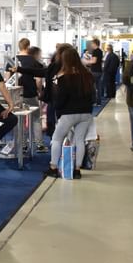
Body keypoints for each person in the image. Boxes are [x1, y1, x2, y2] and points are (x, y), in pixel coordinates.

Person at [45, 48, 95, 180]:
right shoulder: (87, 75)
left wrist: (58, 111)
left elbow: (59, 100)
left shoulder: (62, 78)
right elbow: (93, 96)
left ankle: (53, 167)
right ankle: (77, 170)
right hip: (86, 113)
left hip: (68, 113)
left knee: (56, 139)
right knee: (79, 140)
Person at [14, 39, 48, 153]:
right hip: (31, 93)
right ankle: (39, 144)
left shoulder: (14, 60)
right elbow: (39, 79)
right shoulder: (33, 61)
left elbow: (7, 77)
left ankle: (23, 145)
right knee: (36, 119)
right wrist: (39, 91)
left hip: (16, 94)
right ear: (28, 46)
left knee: (20, 120)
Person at [82, 38, 104, 105]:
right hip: (99, 71)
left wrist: (85, 61)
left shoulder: (95, 51)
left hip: (95, 71)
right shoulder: (100, 51)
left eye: (92, 43)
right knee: (98, 87)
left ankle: (93, 101)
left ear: (95, 43)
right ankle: (99, 102)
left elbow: (94, 61)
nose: (91, 44)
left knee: (92, 87)